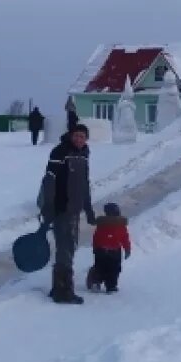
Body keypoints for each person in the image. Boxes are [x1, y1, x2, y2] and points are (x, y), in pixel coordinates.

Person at [39, 124, 96, 304]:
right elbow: (49, 181)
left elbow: (84, 184)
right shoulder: (60, 152)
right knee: (66, 247)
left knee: (69, 246)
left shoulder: (83, 154)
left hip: (74, 209)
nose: (79, 139)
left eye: (82, 136)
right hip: (61, 208)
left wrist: (88, 208)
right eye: (76, 136)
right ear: (71, 136)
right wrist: (49, 206)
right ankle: (63, 292)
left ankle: (58, 286)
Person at [88, 203, 132, 293]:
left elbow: (96, 236)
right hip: (115, 250)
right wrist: (127, 249)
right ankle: (111, 286)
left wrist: (95, 247)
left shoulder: (101, 224)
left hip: (101, 250)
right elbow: (125, 238)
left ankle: (97, 282)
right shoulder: (121, 224)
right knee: (114, 269)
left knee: (100, 267)